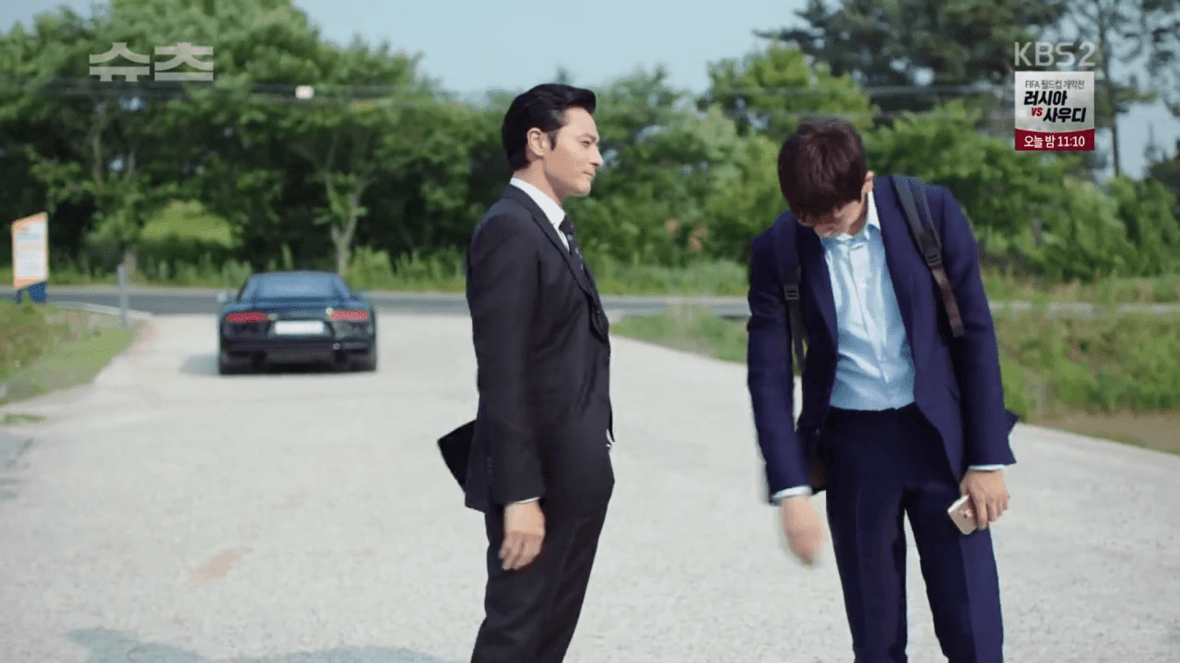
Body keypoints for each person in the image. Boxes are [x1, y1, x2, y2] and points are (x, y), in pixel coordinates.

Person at [745, 119, 1017, 663]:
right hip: (855, 448)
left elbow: (976, 333)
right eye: (807, 217)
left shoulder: (930, 212)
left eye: (834, 215)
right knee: (876, 637)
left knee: (974, 632)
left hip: (940, 439)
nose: (822, 229)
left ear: (865, 184)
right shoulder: (779, 247)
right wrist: (791, 491)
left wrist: (987, 459)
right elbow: (768, 375)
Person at [451, 83, 613, 663]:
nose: (598, 158)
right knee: (517, 632)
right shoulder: (511, 230)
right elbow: (503, 371)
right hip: (538, 476)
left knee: (548, 633)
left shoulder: (551, 229)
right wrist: (519, 494)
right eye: (586, 143)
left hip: (572, 469)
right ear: (538, 142)